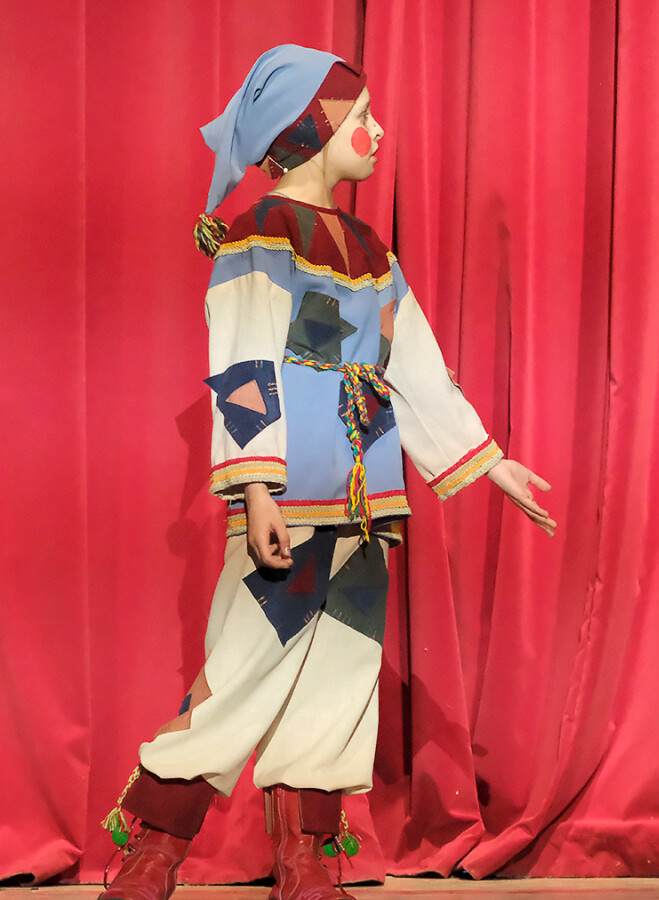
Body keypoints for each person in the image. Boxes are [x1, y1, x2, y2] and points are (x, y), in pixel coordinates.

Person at [98, 45, 555, 900]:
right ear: (311, 131)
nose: (377, 133)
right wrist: (257, 487)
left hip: (368, 493)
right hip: (293, 488)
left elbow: (414, 365)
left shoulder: (374, 251)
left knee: (342, 673)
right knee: (245, 662)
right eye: (360, 118)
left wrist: (490, 463)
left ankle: (305, 859)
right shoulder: (260, 238)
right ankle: (154, 849)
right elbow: (242, 366)